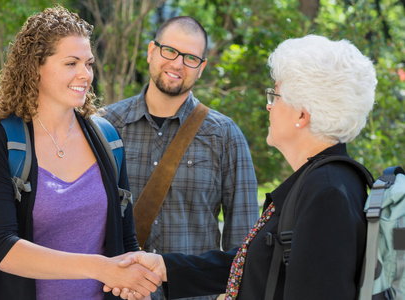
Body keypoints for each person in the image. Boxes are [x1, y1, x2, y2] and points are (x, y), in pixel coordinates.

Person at [109, 34, 378, 300]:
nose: (268, 106)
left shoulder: (327, 192)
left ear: (301, 115)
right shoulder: (322, 182)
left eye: (275, 96)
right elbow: (253, 264)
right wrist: (167, 267)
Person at [0, 6, 160, 300]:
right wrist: (98, 267)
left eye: (89, 63)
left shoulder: (107, 139)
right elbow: (2, 249)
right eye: (71, 63)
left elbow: (125, 239)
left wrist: (134, 282)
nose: (85, 75)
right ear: (35, 67)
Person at [103, 16, 259, 300]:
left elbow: (244, 247)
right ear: (152, 51)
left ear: (201, 68)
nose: (177, 64)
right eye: (170, 51)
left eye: (190, 58)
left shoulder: (224, 135)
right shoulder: (105, 126)